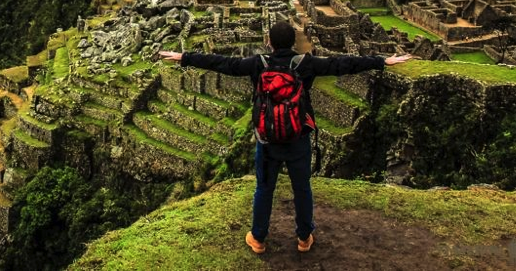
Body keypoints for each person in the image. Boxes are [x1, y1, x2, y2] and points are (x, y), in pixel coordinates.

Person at [158, 20, 411, 255]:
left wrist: (185, 57)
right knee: (302, 188)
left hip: (267, 139)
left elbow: (225, 64)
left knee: (264, 188)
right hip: (297, 136)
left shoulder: (259, 64)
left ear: (269, 42)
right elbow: (341, 64)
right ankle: (303, 238)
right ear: (293, 42)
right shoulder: (306, 64)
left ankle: (258, 239)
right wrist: (381, 61)